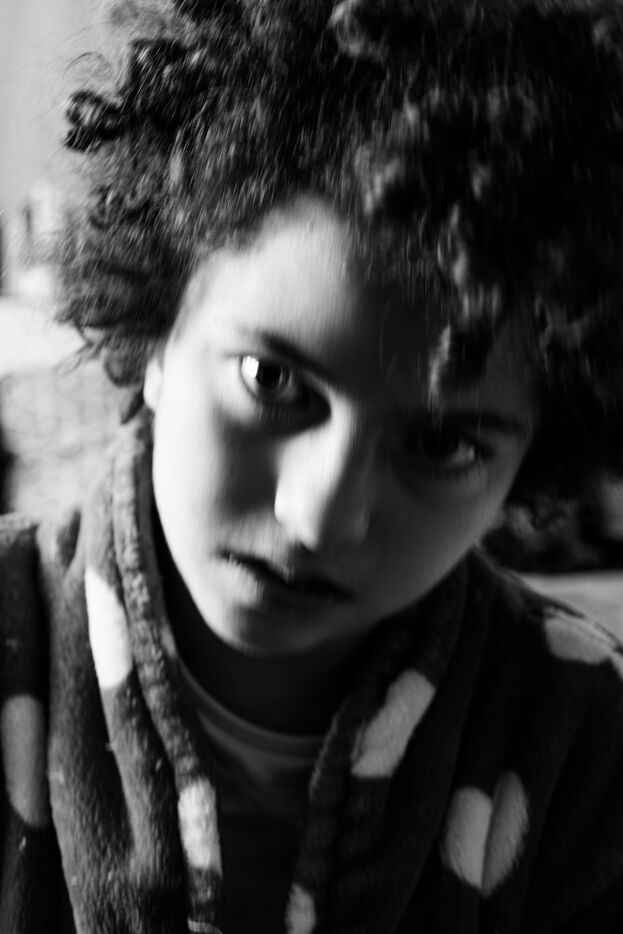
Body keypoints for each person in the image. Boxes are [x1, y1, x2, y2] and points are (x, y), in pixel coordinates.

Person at [2, 0, 623, 930]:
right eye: (271, 380)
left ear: (531, 458)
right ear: (159, 334)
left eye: (443, 444)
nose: (320, 515)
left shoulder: (581, 742)